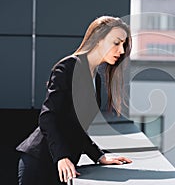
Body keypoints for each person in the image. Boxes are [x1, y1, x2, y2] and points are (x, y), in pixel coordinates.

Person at [16, 16, 133, 185]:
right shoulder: (69, 66)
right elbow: (48, 117)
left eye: (123, 44)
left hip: (64, 166)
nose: (121, 51)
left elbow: (76, 128)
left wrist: (99, 156)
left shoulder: (96, 78)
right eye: (116, 43)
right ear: (98, 40)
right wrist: (61, 156)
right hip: (40, 162)